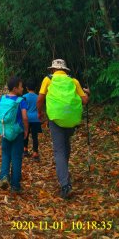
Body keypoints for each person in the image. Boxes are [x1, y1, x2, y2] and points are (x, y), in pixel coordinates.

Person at [37, 59, 90, 199]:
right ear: (66, 70)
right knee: (66, 146)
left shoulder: (48, 79)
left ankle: (65, 185)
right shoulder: (74, 81)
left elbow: (40, 99)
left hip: (56, 119)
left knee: (59, 150)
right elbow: (85, 101)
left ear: (53, 70)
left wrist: (40, 112)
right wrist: (87, 93)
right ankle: (64, 174)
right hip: (71, 120)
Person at [0, 76, 29, 193]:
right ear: (15, 89)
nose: (23, 88)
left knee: (5, 155)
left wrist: (1, 125)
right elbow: (24, 117)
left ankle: (4, 177)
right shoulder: (21, 101)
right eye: (20, 86)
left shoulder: (2, 99)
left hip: (5, 132)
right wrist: (26, 129)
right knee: (16, 158)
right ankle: (15, 186)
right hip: (17, 133)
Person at [23, 79, 43, 160]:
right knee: (35, 136)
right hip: (36, 118)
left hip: (26, 118)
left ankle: (25, 150)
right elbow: (40, 108)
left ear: (27, 88)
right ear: (35, 88)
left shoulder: (24, 97)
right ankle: (35, 153)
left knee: (25, 134)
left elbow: (22, 108)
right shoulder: (38, 97)